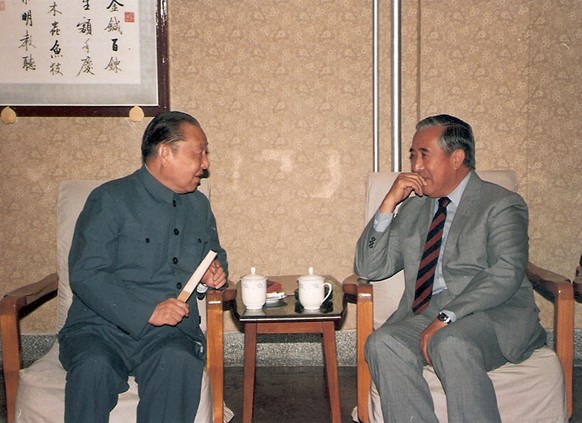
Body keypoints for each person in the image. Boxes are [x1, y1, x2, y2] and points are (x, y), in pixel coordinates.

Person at [354, 114, 546, 422]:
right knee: (382, 342)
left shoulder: (501, 203)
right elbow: (369, 267)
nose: (415, 166)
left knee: (450, 342)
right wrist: (387, 205)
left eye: (424, 154)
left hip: (490, 315)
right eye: (413, 155)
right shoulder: (415, 206)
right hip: (425, 312)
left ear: (456, 158)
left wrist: (448, 316)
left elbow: (506, 271)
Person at [58, 111, 228, 423]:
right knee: (92, 368)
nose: (205, 164)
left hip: (170, 335)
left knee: (178, 363)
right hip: (100, 328)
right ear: (165, 152)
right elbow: (86, 272)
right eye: (199, 152)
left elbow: (214, 254)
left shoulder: (198, 205)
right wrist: (146, 311)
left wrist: (212, 274)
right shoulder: (109, 199)